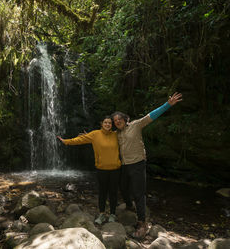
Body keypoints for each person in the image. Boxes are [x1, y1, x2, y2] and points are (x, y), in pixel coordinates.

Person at [112, 92, 183, 239]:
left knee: (138, 193)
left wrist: (168, 104)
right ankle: (129, 206)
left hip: (137, 163)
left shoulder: (136, 125)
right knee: (123, 187)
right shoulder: (116, 134)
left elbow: (151, 116)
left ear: (125, 119)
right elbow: (102, 136)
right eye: (115, 121)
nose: (117, 121)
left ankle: (142, 222)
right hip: (125, 165)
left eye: (119, 119)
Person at [57, 116, 121, 224]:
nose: (107, 124)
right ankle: (101, 214)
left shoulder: (116, 135)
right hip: (102, 169)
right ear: (102, 124)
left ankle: (112, 215)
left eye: (109, 123)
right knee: (103, 193)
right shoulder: (95, 134)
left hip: (115, 169)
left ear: (112, 125)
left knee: (113, 193)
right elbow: (80, 140)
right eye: (105, 122)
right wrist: (66, 141)